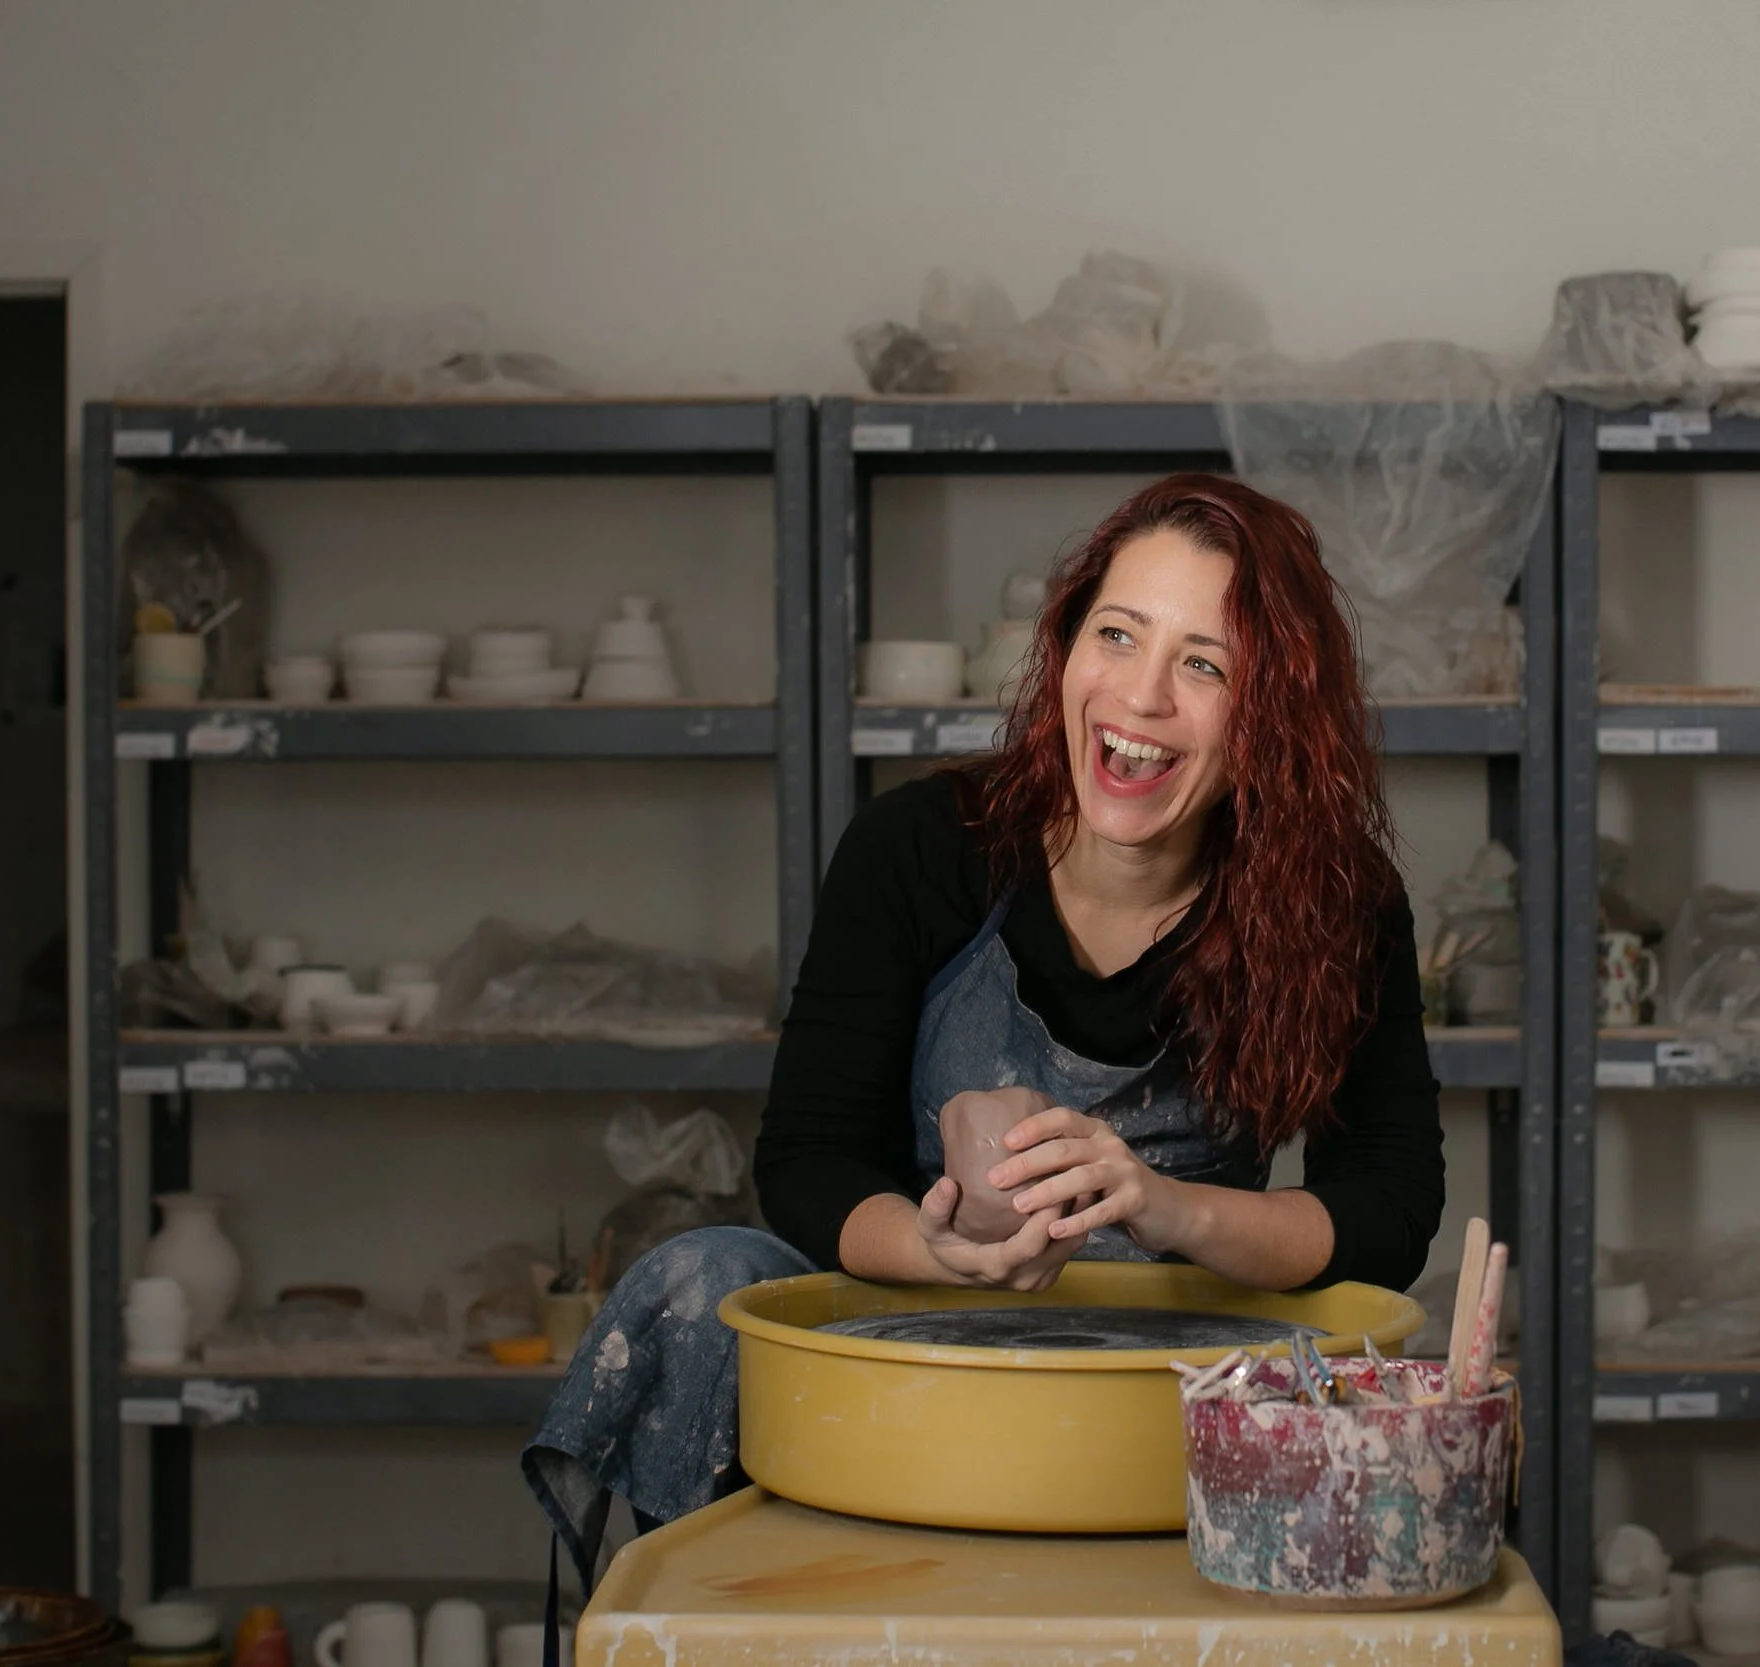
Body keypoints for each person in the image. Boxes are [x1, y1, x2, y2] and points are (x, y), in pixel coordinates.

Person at [523, 473, 1445, 1589]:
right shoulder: (921, 848)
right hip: (922, 1355)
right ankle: (673, 1618)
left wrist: (1165, 1205)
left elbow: (1391, 1208)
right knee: (701, 1270)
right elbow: (808, 1159)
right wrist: (940, 1247)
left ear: (1272, 715)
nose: (1140, 695)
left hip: (1172, 1380)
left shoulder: (1335, 900)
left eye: (1206, 664)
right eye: (1117, 634)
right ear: (1065, 646)